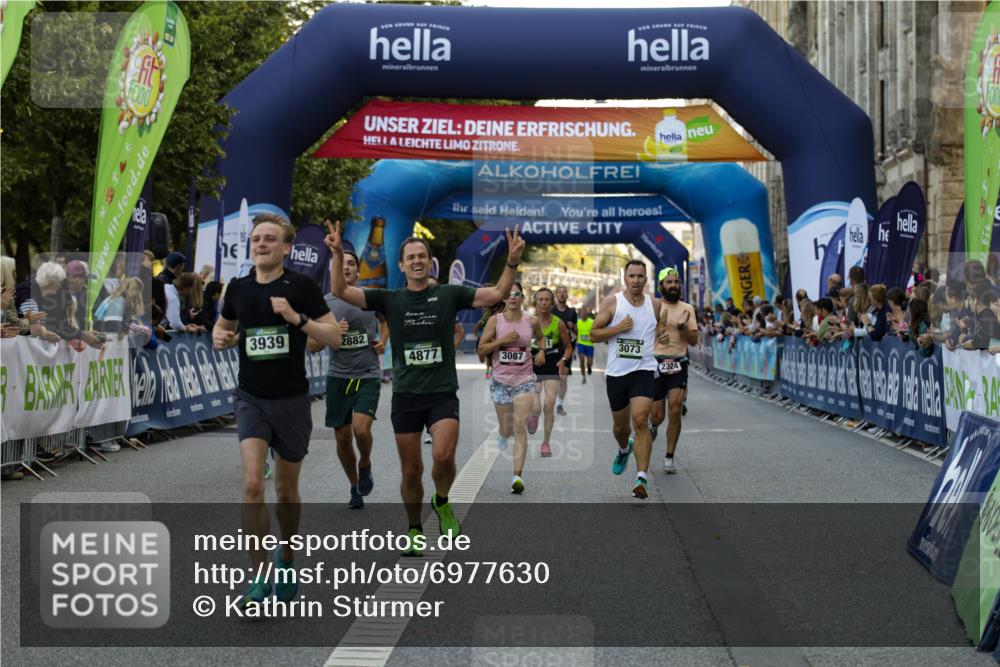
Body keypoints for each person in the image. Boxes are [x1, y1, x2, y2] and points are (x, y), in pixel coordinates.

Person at [326, 220, 525, 553]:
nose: (417, 261)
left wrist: (512, 261)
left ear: (429, 263)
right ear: (402, 265)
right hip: (406, 395)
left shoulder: (448, 294)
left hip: (441, 392)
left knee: (444, 457)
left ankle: (442, 500)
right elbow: (343, 291)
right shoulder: (389, 298)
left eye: (422, 256)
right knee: (411, 470)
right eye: (410, 257)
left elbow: (498, 294)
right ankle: (414, 528)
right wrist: (336, 254)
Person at [212, 213, 341, 609]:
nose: (261, 244)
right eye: (256, 239)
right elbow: (222, 327)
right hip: (250, 397)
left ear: (286, 248)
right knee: (253, 484)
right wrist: (222, 338)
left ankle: (286, 558)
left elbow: (334, 335)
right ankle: (259, 576)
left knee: (286, 491)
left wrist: (296, 318)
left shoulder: (300, 287)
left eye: (270, 239)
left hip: (292, 401)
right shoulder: (238, 288)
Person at [307, 243, 387, 509]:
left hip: (367, 373)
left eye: (351, 264)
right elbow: (312, 345)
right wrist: (333, 334)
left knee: (361, 429)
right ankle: (354, 486)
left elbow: (387, 320)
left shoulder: (369, 298)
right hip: (338, 376)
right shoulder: (323, 304)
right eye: (341, 264)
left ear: (358, 271)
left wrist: (383, 340)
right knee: (342, 436)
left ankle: (365, 462)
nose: (347, 268)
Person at [590, 260, 659, 499]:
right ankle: (623, 448)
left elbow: (661, 330)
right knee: (621, 428)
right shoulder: (613, 302)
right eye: (632, 276)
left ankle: (641, 478)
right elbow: (593, 335)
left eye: (641, 276)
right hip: (617, 373)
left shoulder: (655, 305)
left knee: (640, 421)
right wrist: (617, 328)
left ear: (646, 279)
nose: (636, 280)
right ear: (625, 278)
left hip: (644, 370)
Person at [477, 281, 544, 494]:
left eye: (517, 294)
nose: (513, 297)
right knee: (506, 429)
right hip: (500, 382)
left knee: (519, 427)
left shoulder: (531, 321)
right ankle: (503, 434)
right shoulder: (494, 322)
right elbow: (481, 351)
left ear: (522, 297)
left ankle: (517, 476)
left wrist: (541, 351)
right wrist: (502, 341)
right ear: (503, 298)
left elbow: (541, 339)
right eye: (509, 294)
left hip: (524, 380)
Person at [649, 268, 698, 474]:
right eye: (669, 282)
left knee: (676, 408)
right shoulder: (652, 306)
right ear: (661, 286)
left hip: (679, 362)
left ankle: (669, 456)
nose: (673, 286)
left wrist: (682, 327)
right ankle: (653, 425)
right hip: (655, 362)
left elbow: (694, 340)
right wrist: (659, 330)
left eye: (676, 282)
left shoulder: (687, 309)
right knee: (658, 415)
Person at [528, 287, 571, 458]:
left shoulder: (558, 323)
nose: (544, 302)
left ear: (551, 303)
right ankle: (533, 416)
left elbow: (568, 347)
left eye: (547, 299)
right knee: (537, 406)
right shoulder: (528, 322)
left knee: (549, 405)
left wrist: (563, 360)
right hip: (532, 364)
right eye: (541, 299)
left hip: (552, 364)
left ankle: (545, 443)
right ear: (535, 302)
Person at [553, 285, 577, 416]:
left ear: (567, 295)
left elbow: (576, 333)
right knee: (552, 379)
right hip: (552, 349)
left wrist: (573, 327)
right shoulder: (551, 311)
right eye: (559, 292)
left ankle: (559, 404)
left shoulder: (572, 312)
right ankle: (551, 401)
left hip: (566, 349)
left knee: (562, 379)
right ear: (556, 295)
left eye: (564, 292)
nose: (562, 294)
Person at [576, 305, 595, 380]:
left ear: (587, 313)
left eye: (584, 313)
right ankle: (583, 375)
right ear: (580, 314)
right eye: (581, 313)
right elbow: (575, 332)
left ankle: (589, 367)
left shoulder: (592, 322)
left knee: (589, 362)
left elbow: (595, 330)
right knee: (582, 360)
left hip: (589, 344)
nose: (583, 314)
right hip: (581, 344)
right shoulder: (578, 322)